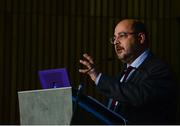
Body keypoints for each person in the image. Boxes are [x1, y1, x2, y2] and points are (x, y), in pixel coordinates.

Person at [79, 19, 177, 124]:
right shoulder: (124, 74)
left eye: (121, 35)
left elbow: (138, 96)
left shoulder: (160, 69)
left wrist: (98, 78)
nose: (116, 42)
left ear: (140, 38)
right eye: (114, 38)